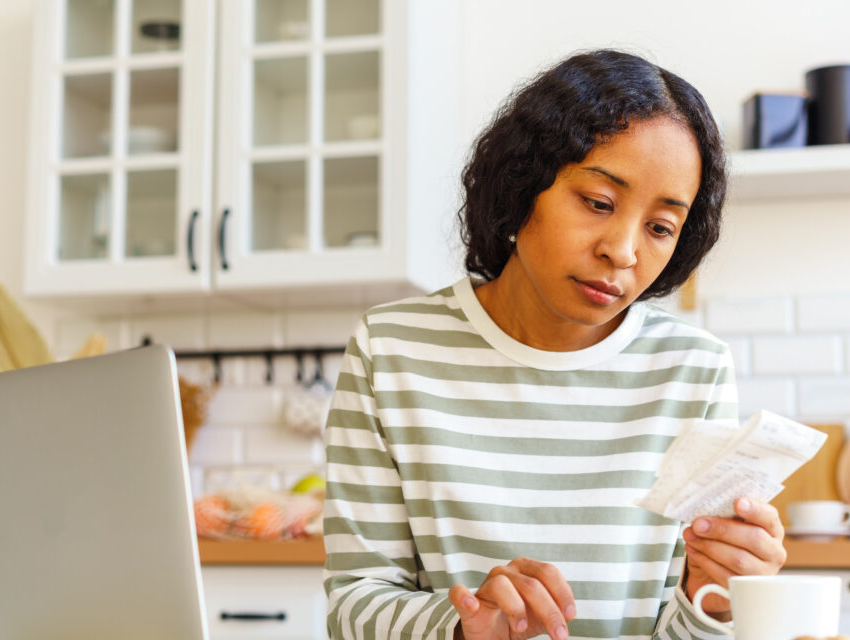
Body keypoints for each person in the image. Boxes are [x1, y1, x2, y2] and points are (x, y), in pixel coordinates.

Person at [322, 49, 786, 640]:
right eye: (598, 203)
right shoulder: (392, 351)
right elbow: (354, 604)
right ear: (523, 185)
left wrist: (714, 602)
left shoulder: (693, 372)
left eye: (661, 227)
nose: (622, 250)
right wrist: (463, 627)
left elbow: (689, 628)